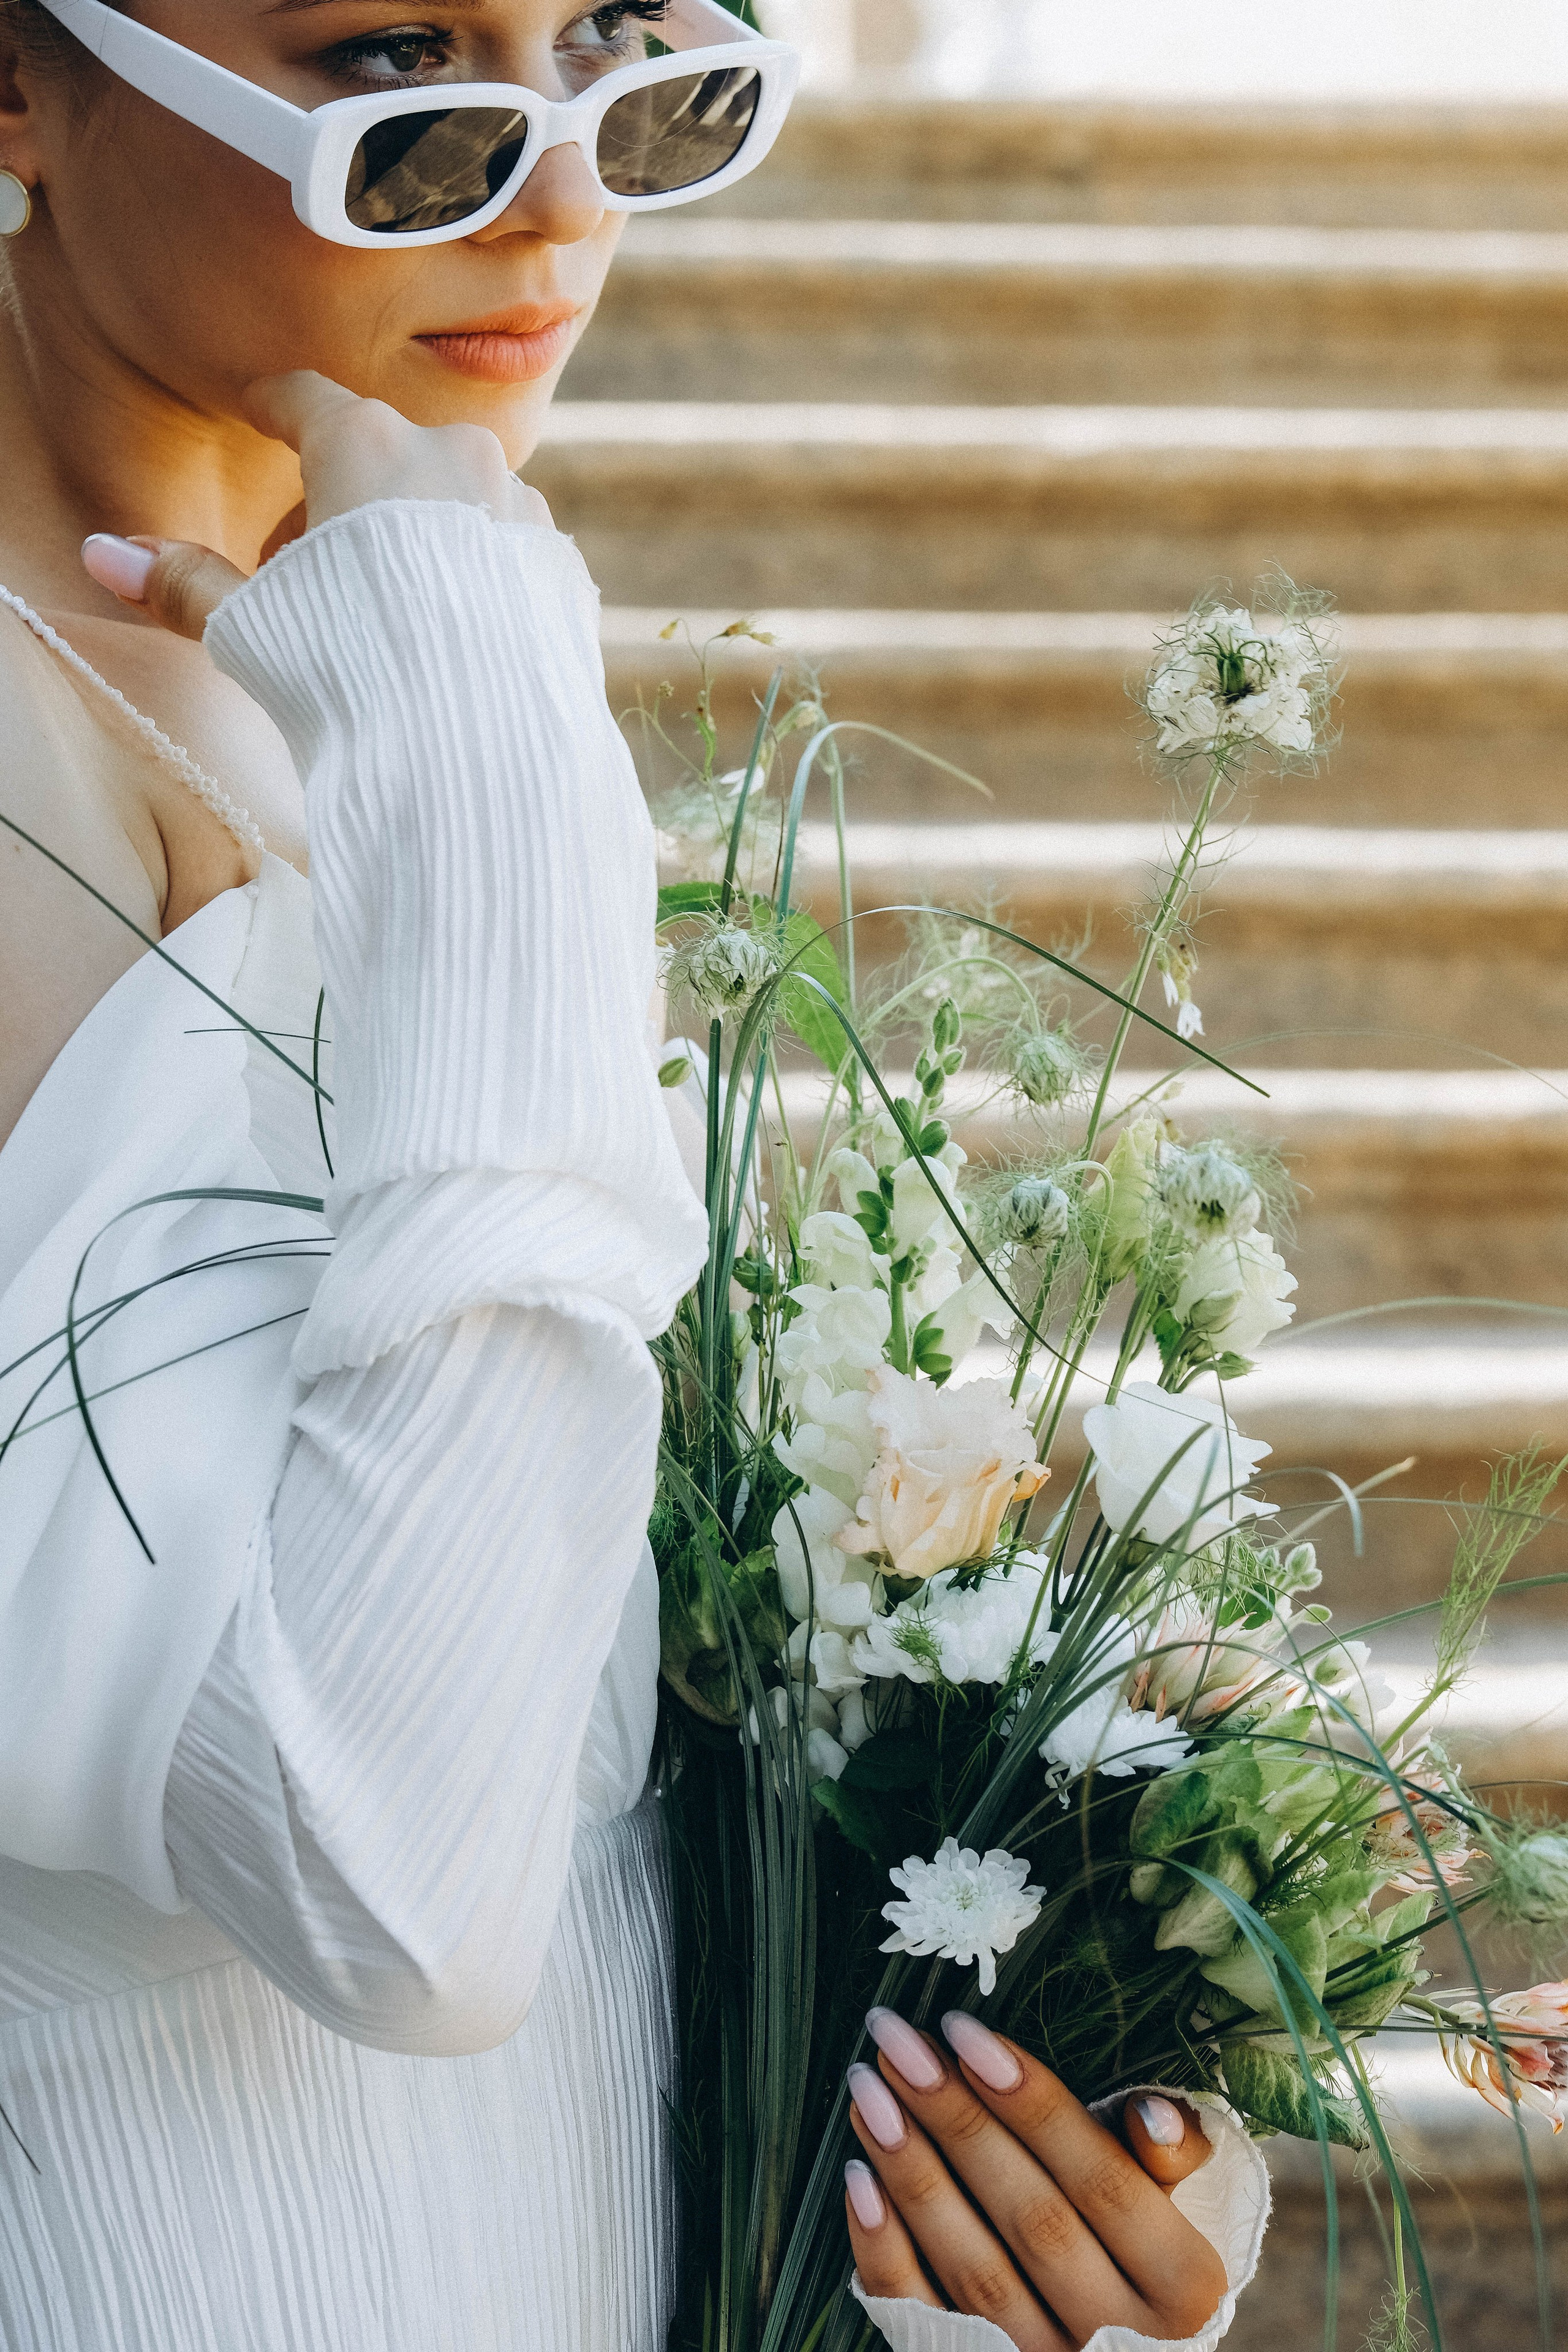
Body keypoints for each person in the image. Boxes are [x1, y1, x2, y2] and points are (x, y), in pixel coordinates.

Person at [0, 5, 1268, 2346]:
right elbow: (397, 1878)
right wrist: (488, 737)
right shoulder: (333, 692)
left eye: (631, 64)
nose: (568, 203)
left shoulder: (379, 638)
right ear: (23, 77)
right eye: (404, 81)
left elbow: (583, 1776)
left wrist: (1020, 2143)